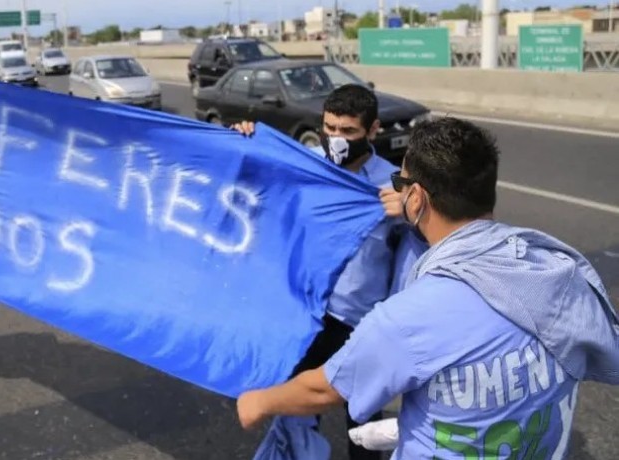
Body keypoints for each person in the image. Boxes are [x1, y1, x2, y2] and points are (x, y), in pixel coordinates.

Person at [236, 117, 619, 458]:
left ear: (416, 198)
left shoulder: (411, 317)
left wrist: (259, 401)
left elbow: (325, 390)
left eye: (401, 185)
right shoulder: (557, 268)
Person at [232, 84, 428, 460]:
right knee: (298, 412)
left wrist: (408, 213)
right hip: (305, 315)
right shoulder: (305, 163)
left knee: (363, 421)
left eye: (349, 131)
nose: (336, 139)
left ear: (372, 131)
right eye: (330, 128)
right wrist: (246, 138)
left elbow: (431, 240)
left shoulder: (393, 185)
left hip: (359, 324)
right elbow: (257, 174)